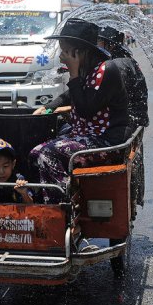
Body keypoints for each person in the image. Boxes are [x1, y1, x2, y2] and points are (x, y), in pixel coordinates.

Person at [28, 18, 130, 203]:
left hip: (106, 141)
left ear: (79, 52)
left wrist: (73, 73)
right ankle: (52, 195)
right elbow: (69, 95)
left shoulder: (106, 70)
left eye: (65, 51)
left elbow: (85, 110)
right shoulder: (88, 70)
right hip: (86, 137)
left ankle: (61, 206)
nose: (61, 56)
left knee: (46, 153)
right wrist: (47, 108)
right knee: (35, 150)